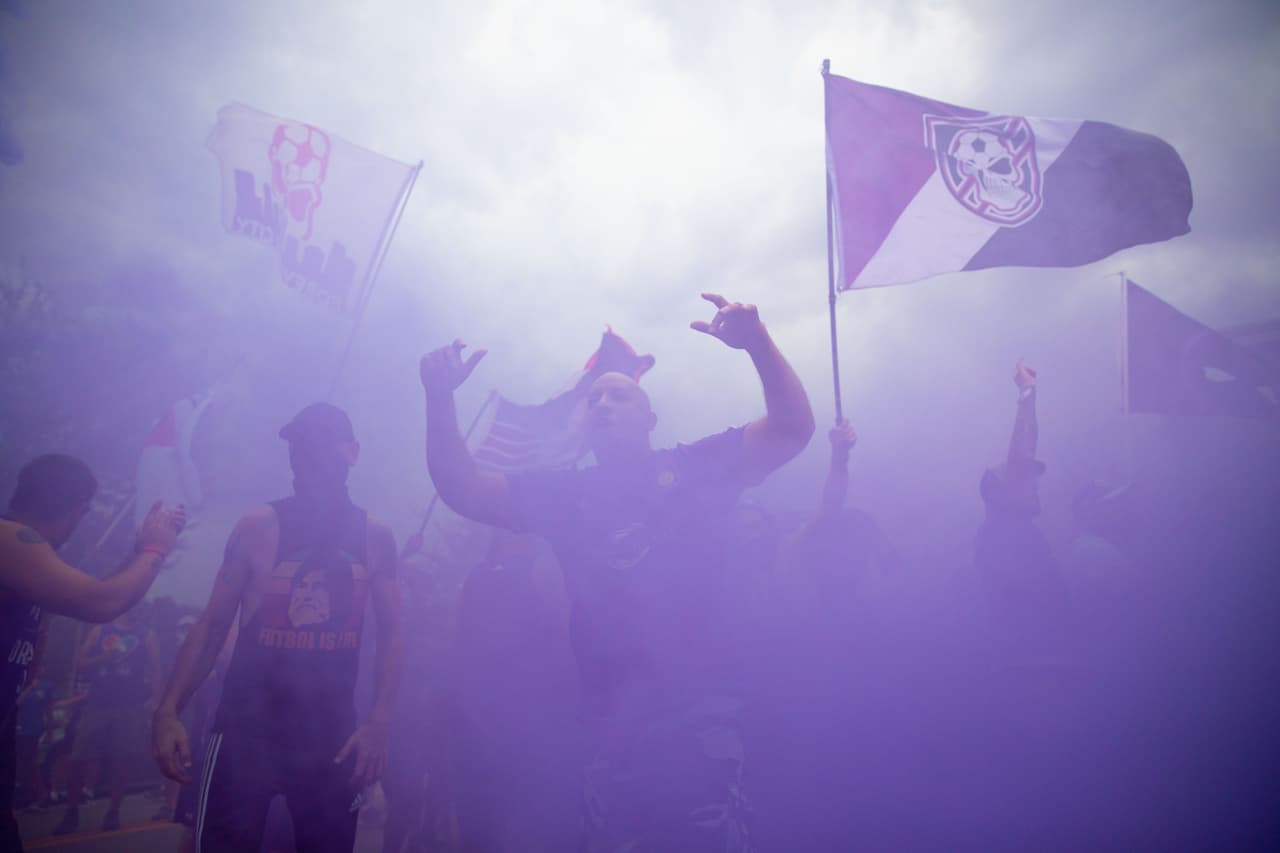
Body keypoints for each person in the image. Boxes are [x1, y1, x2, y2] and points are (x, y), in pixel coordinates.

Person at [420, 293, 814, 852]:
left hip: (703, 716)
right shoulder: (565, 495)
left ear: (649, 418)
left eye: (619, 395)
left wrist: (757, 344)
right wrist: (439, 398)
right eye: (594, 398)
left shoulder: (696, 468)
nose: (602, 403)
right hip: (611, 725)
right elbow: (462, 488)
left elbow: (793, 428)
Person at [151, 402, 403, 853]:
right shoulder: (259, 526)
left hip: (332, 737)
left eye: (318, 447)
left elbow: (395, 634)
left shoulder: (374, 536)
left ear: (352, 452)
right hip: (246, 731)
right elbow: (212, 626)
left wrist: (380, 721)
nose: (305, 458)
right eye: (298, 448)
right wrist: (168, 709)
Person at [0, 453, 185, 852]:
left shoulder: (23, 556)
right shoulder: (11, 538)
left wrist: (138, 551)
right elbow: (101, 603)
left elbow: (94, 592)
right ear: (76, 507)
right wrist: (156, 549)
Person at [973, 358, 1069, 647]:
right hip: (1028, 657)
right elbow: (1021, 453)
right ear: (1000, 495)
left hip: (1041, 650)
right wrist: (1027, 395)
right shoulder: (1002, 533)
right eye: (1023, 480)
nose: (1034, 486)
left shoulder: (1013, 532)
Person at [52, 603, 162, 834]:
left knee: (122, 760)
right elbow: (80, 663)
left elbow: (155, 669)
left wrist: (155, 701)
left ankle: (113, 811)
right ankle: (71, 811)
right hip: (97, 704)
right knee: (78, 757)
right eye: (131, 605)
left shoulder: (145, 634)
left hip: (129, 707)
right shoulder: (101, 630)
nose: (135, 609)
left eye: (138, 606)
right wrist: (104, 657)